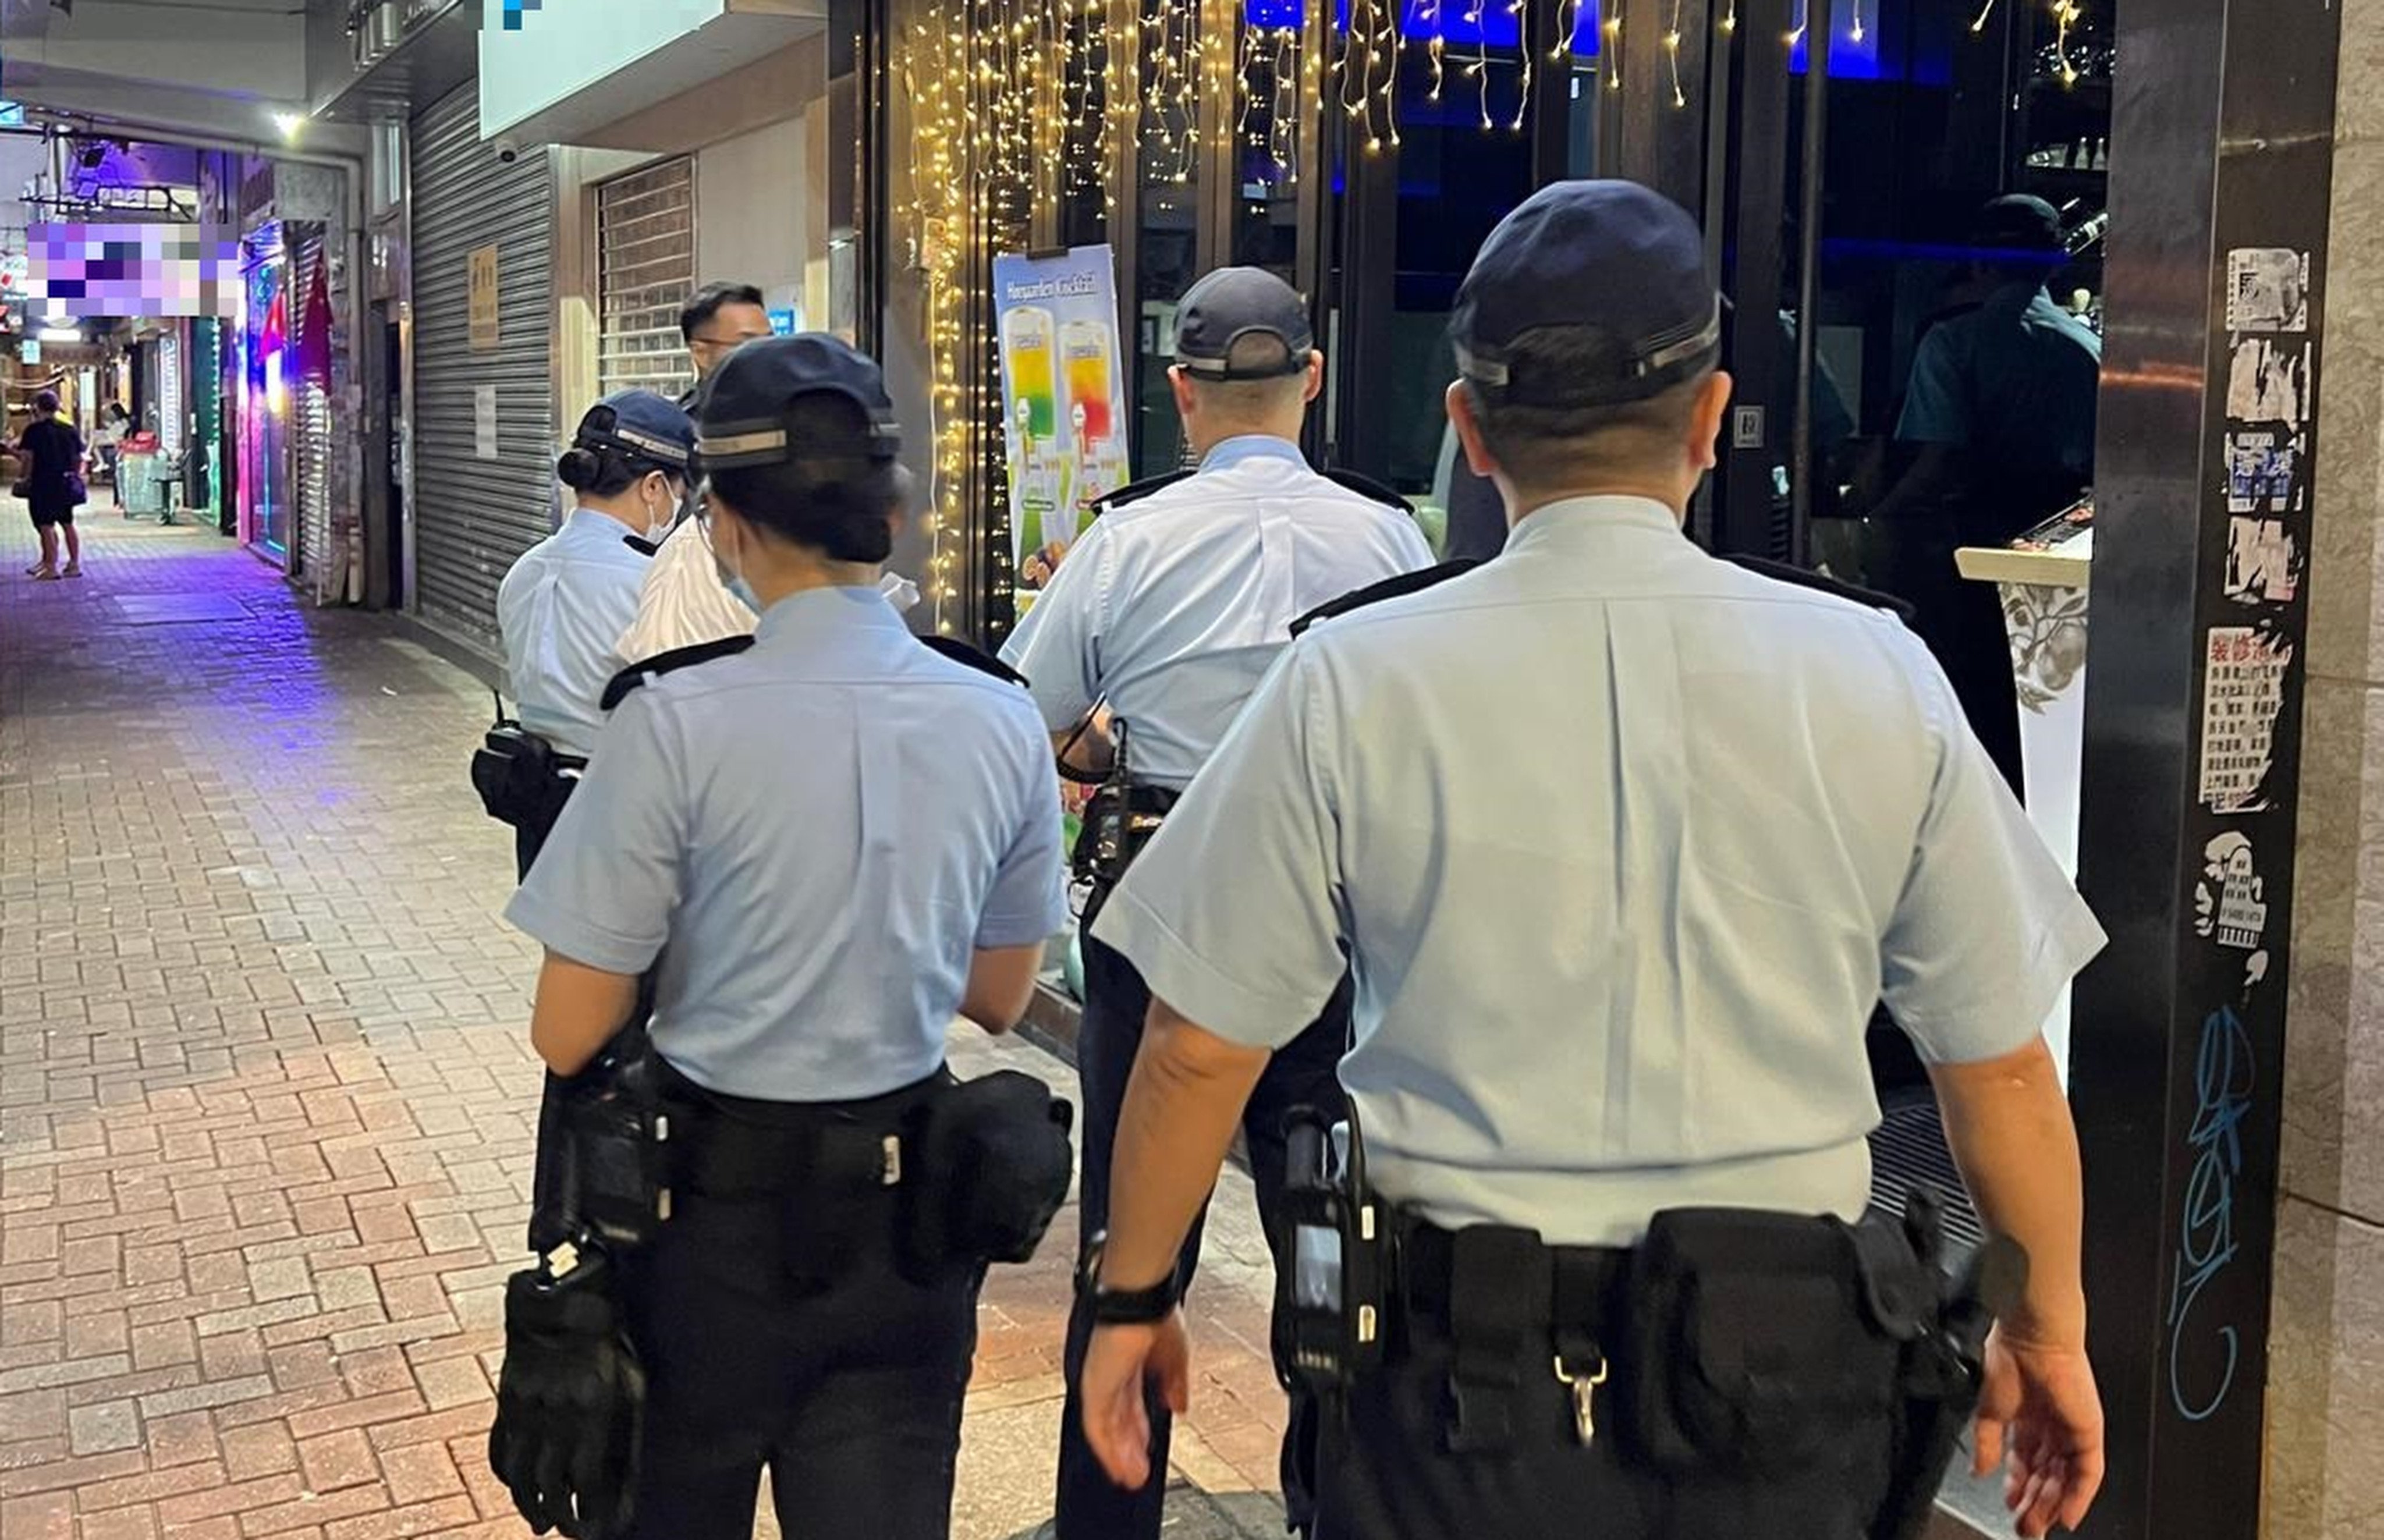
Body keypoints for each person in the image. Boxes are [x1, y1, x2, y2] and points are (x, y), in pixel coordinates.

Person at [1074, 182, 2109, 1540]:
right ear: (1707, 414)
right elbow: (2003, 1062)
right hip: (1783, 1383)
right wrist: (2050, 1326)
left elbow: (1198, 1045)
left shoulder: (1354, 676)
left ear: (1468, 433)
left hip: (1450, 1393)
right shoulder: (1874, 673)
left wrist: (1136, 1296)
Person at [497, 334, 1068, 1539]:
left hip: (698, 1241)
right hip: (907, 1240)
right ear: (896, 512)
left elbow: (568, 1029)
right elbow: (1002, 995)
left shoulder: (669, 721)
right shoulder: (998, 715)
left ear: (723, 527)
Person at [1001, 265, 1434, 1539]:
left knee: (1134, 1231)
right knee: (1332, 1229)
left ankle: (1109, 1522)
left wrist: (1100, 743)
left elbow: (1022, 716)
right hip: (1338, 916)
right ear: (1311, 378)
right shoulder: (1388, 535)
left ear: (1179, 393)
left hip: (1158, 901)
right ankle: (1328, 1510)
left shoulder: (1124, 539)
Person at [1874, 194, 2103, 793]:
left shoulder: (1954, 342)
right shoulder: (2092, 351)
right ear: (2057, 264)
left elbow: (1937, 461)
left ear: (1978, 260)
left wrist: (1876, 519)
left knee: (1972, 699)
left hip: (1974, 544)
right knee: (2045, 709)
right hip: (2066, 550)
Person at [494, 391, 694, 877]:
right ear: (652, 488)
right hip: (621, 816)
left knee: (565, 951)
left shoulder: (523, 571)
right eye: (678, 491)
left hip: (538, 811)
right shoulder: (652, 583)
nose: (678, 506)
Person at [18, 391, 86, 580]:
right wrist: (75, 475)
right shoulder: (69, 430)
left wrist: (24, 477)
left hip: (42, 481)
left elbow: (28, 458)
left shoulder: (34, 431)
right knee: (68, 523)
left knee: (45, 524)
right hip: (65, 481)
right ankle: (74, 564)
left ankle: (51, 567)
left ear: (38, 408)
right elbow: (78, 458)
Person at [677, 282, 773, 410]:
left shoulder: (793, 411)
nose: (766, 355)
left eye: (769, 341)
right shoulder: (682, 426)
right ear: (701, 353)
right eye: (750, 344)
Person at [94, 402, 130, 510]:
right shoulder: (121, 422)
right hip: (114, 441)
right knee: (94, 436)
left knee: (95, 439)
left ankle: (100, 462)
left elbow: (117, 435)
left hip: (117, 443)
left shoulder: (123, 423)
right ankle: (100, 461)